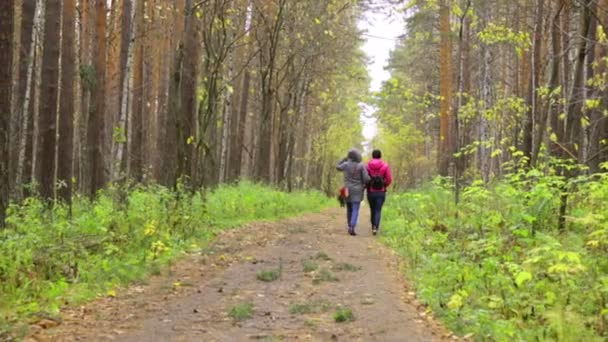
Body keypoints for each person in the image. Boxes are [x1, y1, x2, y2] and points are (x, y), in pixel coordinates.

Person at [337, 149, 370, 236]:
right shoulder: (361, 166)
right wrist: (364, 183)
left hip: (347, 189)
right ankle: (352, 226)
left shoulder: (345, 164)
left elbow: (337, 167)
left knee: (349, 208)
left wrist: (343, 160)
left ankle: (349, 226)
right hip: (358, 190)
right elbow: (366, 179)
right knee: (355, 209)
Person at [366, 149, 392, 235]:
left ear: (372, 156)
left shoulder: (368, 166)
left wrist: (367, 186)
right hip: (381, 192)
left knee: (372, 209)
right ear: (380, 156)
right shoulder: (385, 166)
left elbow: (366, 178)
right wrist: (384, 185)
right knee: (378, 210)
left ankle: (373, 225)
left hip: (371, 191)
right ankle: (375, 227)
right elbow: (389, 179)